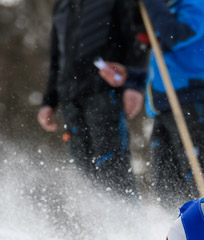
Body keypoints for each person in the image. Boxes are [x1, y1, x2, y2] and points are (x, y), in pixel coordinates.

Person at [100, 0, 204, 209]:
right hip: (163, 106)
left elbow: (175, 35)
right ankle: (179, 232)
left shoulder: (202, 3)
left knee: (199, 173)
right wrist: (131, 76)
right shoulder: (173, 6)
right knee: (167, 184)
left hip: (191, 102)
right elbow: (163, 58)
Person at [37, 0, 147, 199]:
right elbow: (56, 58)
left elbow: (136, 38)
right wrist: (48, 102)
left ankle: (130, 225)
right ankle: (101, 227)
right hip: (70, 99)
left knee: (112, 165)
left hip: (104, 93)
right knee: (85, 169)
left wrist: (134, 85)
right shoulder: (61, 5)